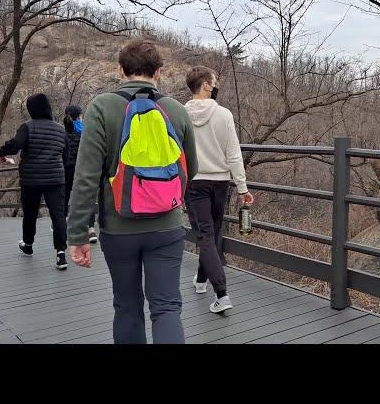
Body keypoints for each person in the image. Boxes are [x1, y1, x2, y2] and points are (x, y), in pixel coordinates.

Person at [67, 39, 198, 344]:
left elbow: (85, 177)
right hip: (167, 227)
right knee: (166, 308)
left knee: (127, 308)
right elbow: (193, 168)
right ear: (159, 73)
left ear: (120, 70)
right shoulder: (176, 110)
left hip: (119, 228)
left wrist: (77, 235)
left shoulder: (102, 107)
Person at [184, 66, 254, 314]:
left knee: (205, 235)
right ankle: (206, 283)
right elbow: (233, 154)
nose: (215, 86)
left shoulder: (180, 114)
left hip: (194, 183)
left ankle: (219, 292)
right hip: (220, 183)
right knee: (211, 234)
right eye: (213, 82)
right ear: (204, 84)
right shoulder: (224, 115)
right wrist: (242, 187)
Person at [0, 93, 69, 270]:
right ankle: (61, 254)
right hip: (55, 179)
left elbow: (15, 145)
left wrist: (1, 152)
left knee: (30, 213)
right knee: (58, 215)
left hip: (32, 179)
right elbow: (66, 158)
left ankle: (28, 245)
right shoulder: (61, 130)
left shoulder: (27, 127)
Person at [63, 104, 98, 244]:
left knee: (64, 198)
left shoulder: (61, 132)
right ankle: (90, 229)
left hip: (66, 169)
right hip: (83, 169)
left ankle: (63, 226)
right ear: (79, 116)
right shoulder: (86, 131)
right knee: (86, 197)